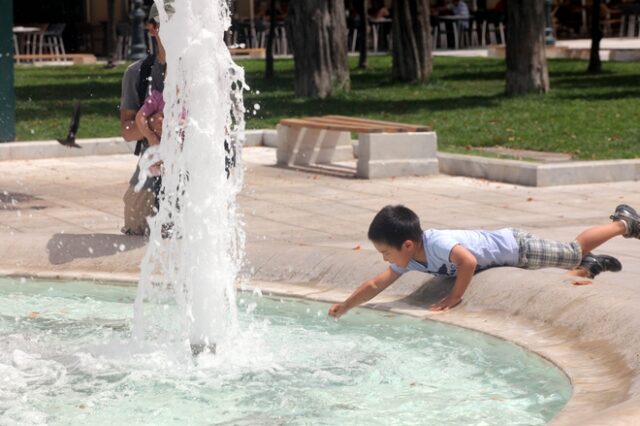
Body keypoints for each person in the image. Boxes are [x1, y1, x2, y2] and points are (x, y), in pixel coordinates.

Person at [328, 204, 638, 317]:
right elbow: (375, 283)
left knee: (572, 250)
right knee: (573, 260)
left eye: (386, 252)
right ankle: (592, 265)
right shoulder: (409, 259)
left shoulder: (436, 242)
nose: (385, 260)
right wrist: (346, 306)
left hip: (516, 246)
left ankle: (624, 223)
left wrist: (454, 296)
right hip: (512, 255)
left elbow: (468, 262)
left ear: (407, 244)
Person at [119, 2, 173, 235]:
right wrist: (150, 125)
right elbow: (128, 130)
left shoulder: (200, 71)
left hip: (191, 165)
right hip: (153, 160)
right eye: (167, 24)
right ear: (152, 28)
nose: (175, 31)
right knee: (135, 222)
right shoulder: (137, 74)